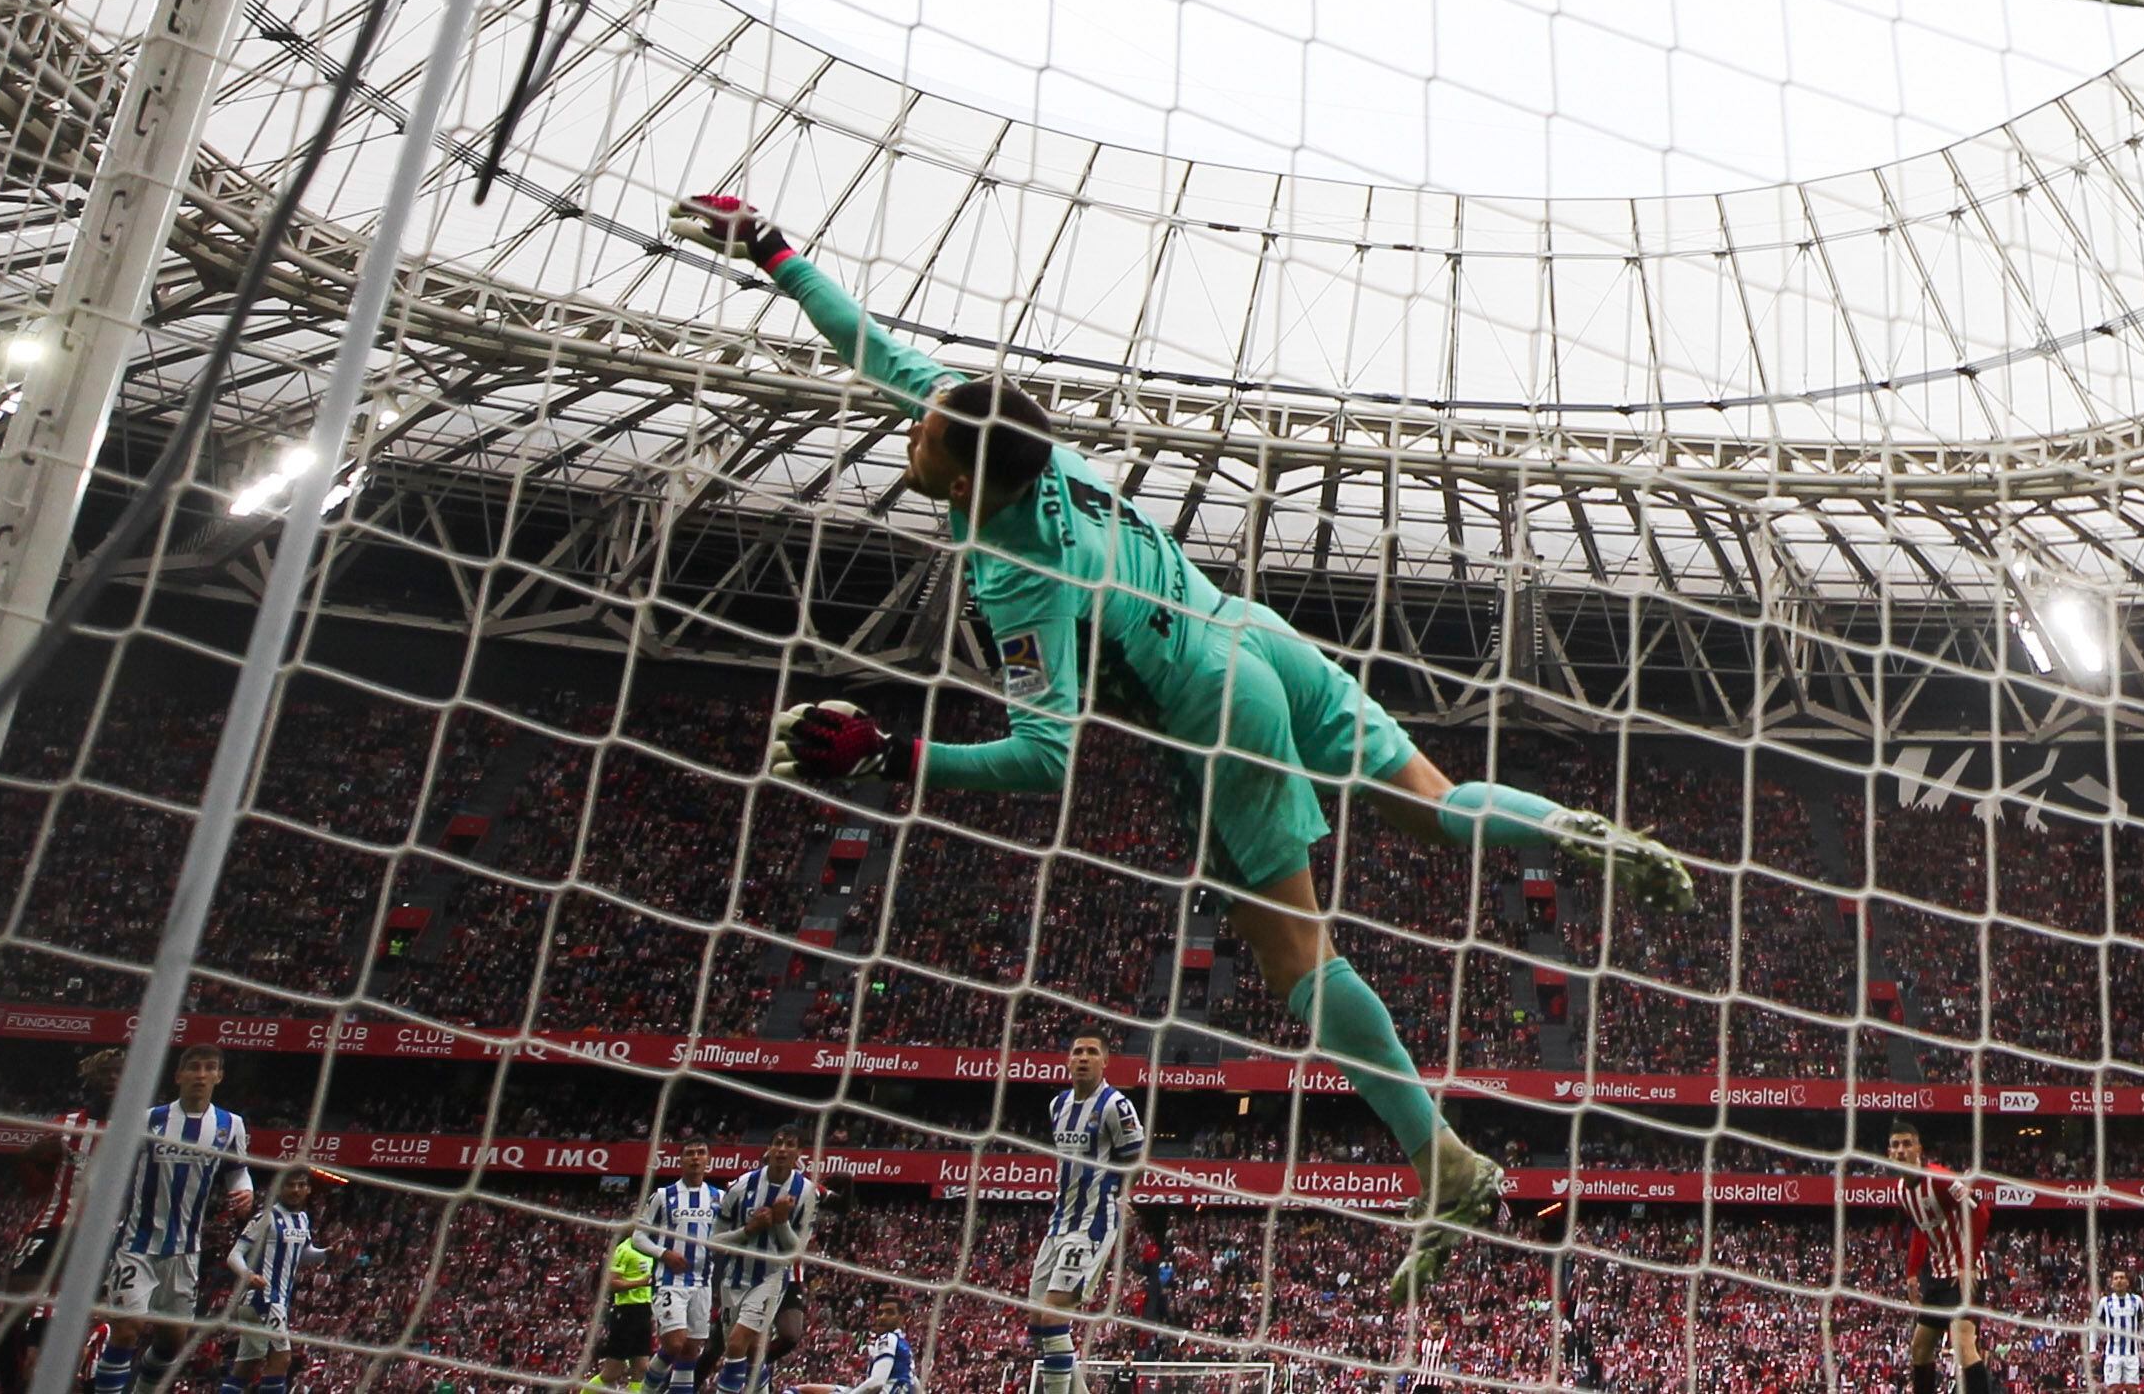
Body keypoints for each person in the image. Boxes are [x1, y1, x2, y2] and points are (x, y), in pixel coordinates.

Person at [681, 192, 1698, 1304]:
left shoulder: (1017, 572)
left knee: (1296, 958)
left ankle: (1440, 1162)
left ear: (967, 474)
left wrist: (895, 760)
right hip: (1253, 630)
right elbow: (876, 349)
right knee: (1432, 800)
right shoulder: (1019, 443)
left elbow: (1044, 756)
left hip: (1214, 706)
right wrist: (773, 249)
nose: (907, 428)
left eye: (922, 433)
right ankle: (1573, 832)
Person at [97, 1047, 254, 1394]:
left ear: (218, 1077)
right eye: (194, 1068)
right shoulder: (148, 1119)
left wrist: (246, 1192)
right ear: (178, 1076)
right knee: (127, 1328)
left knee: (172, 1340)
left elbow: (238, 1173)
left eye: (209, 1068)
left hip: (185, 1251)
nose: (201, 1074)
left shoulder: (230, 1126)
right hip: (136, 1245)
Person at [0, 1049, 122, 1394]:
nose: (113, 1081)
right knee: (13, 1306)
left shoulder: (139, 1128)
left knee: (76, 1320)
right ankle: (14, 1379)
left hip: (100, 1235)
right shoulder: (66, 1125)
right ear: (91, 1081)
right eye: (107, 1074)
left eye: (120, 1074)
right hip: (52, 1225)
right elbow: (31, 1165)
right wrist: (34, 1169)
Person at [1024, 1036, 1142, 1394]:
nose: (1084, 1058)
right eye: (1078, 1051)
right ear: (1068, 1060)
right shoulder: (1057, 1105)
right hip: (1059, 1222)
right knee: (1036, 1321)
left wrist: (1123, 1197)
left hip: (1093, 1224)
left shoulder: (1115, 1105)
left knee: (1054, 1313)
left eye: (1092, 1052)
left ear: (1105, 1061)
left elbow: (1134, 1158)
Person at [1864, 1121, 1986, 1394]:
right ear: (1888, 1152)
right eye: (1895, 1145)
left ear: (1919, 1148)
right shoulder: (1901, 1190)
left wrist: (1967, 1266)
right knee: (1920, 1348)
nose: (1901, 1150)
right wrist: (1911, 1273)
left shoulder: (1940, 1179)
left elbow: (1981, 1212)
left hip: (1964, 1274)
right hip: (1939, 1277)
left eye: (1907, 1143)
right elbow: (1922, 1228)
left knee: (1963, 1344)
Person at [710, 1130, 817, 1394]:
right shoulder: (741, 1186)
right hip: (734, 1277)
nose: (782, 1149)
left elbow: (798, 1250)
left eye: (789, 1144)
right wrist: (749, 1230)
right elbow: (715, 1241)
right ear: (768, 1148)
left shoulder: (806, 1192)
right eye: (777, 1143)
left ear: (799, 1153)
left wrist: (781, 1222)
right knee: (752, 1353)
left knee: (736, 1344)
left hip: (770, 1278)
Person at [218, 1166, 323, 1394]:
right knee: (282, 1359)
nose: (295, 1190)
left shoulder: (303, 1220)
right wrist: (248, 1275)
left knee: (245, 1367)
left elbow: (304, 1254)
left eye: (301, 1185)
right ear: (279, 1188)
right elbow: (234, 1254)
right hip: (264, 1298)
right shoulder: (266, 1217)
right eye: (290, 1185)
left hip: (273, 1302)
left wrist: (328, 1252)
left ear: (308, 1189)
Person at [636, 1142, 727, 1394]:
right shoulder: (664, 1196)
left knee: (690, 1350)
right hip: (670, 1282)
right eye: (690, 1153)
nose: (695, 1158)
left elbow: (728, 1234)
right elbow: (638, 1237)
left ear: (709, 1160)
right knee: (675, 1343)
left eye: (701, 1153)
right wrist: (664, 1253)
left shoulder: (719, 1198)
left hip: (702, 1284)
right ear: (681, 1160)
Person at [589, 1229, 658, 1394]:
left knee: (641, 1369)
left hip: (644, 1311)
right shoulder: (624, 1250)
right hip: (626, 1311)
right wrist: (640, 1282)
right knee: (612, 1372)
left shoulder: (650, 1250)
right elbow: (611, 1284)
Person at [828, 1299, 913, 1394]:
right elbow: (915, 1385)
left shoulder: (888, 1338)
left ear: (901, 1319)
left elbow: (877, 1382)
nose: (882, 1317)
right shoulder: (905, 1347)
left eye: (890, 1313)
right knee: (811, 1388)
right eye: (880, 1313)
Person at [2093, 1271, 2144, 1389]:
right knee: (2112, 1389)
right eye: (2115, 1278)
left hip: (2132, 1354)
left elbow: (2143, 1325)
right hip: (2112, 1354)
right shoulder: (2105, 1302)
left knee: (2132, 1389)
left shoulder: (2137, 1301)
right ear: (2112, 1283)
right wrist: (2092, 1349)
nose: (2119, 1281)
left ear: (2127, 1282)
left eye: (2122, 1278)